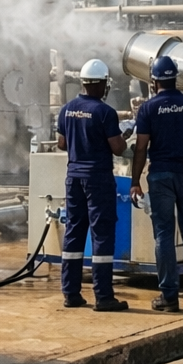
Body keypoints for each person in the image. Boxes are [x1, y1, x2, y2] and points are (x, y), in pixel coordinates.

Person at [130, 56, 183, 313]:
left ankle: (169, 297)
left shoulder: (148, 109)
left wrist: (135, 182)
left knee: (164, 235)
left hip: (160, 177)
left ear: (154, 81)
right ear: (175, 78)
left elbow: (141, 148)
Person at [54, 60, 128, 312]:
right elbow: (118, 148)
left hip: (73, 177)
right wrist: (125, 137)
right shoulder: (105, 112)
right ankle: (104, 296)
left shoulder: (67, 109)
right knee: (102, 235)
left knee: (74, 232)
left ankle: (71, 292)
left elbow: (62, 144)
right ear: (101, 84)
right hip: (98, 178)